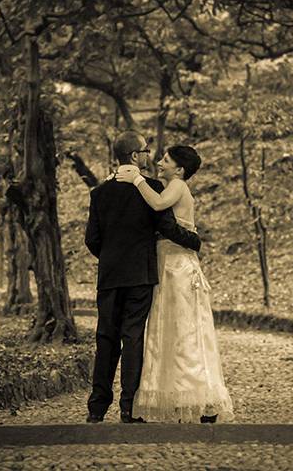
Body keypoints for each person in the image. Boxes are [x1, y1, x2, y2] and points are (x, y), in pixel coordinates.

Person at [84, 130, 202, 424]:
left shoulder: (99, 193)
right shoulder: (151, 188)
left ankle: (96, 408)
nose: (150, 156)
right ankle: (128, 407)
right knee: (133, 337)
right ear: (135, 156)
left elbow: (92, 239)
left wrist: (111, 258)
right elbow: (168, 226)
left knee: (106, 339)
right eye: (146, 151)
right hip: (140, 274)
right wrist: (194, 240)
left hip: (110, 275)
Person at [115, 145, 234, 423]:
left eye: (166, 160)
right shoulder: (175, 185)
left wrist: (137, 179)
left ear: (179, 169)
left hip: (178, 264)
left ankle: (201, 398)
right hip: (166, 261)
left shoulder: (178, 186)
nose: (159, 162)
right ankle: (178, 396)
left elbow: (157, 204)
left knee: (184, 330)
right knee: (167, 330)